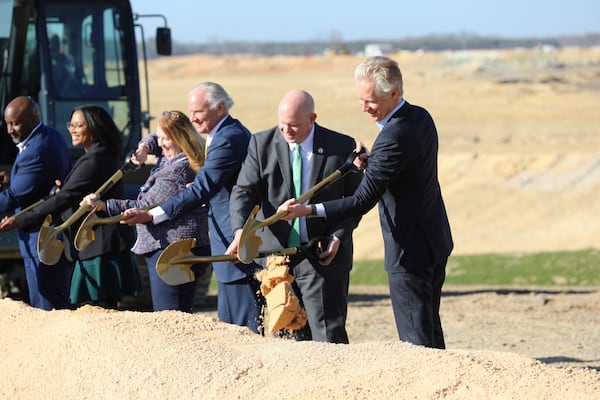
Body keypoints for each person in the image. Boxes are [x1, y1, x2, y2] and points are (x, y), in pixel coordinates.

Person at [279, 56, 454, 349]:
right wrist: (374, 162)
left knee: (417, 343)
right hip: (434, 241)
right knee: (430, 329)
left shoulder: (392, 137)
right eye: (360, 100)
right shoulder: (420, 116)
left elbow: (361, 200)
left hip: (409, 251)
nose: (363, 108)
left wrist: (308, 210)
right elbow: (403, 165)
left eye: (370, 101)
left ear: (394, 92)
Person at [121, 82, 264, 332]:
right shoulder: (218, 133)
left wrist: (153, 214)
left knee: (245, 330)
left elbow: (203, 188)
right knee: (231, 331)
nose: (193, 118)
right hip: (224, 242)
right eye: (191, 111)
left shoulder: (229, 138)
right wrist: (146, 145)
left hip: (235, 241)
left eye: (198, 111)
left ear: (220, 107)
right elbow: (167, 134)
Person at [226, 89, 363, 343]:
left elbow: (354, 202)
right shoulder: (260, 144)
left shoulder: (341, 146)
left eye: (294, 126)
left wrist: (339, 237)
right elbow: (243, 192)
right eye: (282, 126)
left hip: (322, 256)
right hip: (277, 260)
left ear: (312, 118)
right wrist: (239, 233)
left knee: (327, 337)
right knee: (286, 340)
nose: (287, 131)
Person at [3, 104, 143, 309]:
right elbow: (70, 193)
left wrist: (20, 219)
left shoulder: (94, 159)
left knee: (100, 311)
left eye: (78, 126)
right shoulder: (96, 155)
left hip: (99, 247)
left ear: (94, 129)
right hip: (94, 245)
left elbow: (64, 199)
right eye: (71, 124)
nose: (72, 129)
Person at [81, 111, 210, 312]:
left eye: (166, 139)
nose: (161, 143)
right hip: (170, 246)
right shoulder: (172, 156)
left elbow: (144, 206)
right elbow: (154, 139)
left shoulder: (177, 170)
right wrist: (145, 146)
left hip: (171, 249)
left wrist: (102, 205)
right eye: (159, 138)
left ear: (180, 138)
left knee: (170, 314)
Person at [0, 96, 72, 310]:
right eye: (7, 124)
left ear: (33, 118)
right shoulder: (49, 135)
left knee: (46, 305)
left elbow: (14, 197)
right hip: (40, 233)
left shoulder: (37, 150)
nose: (9, 130)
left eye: (15, 123)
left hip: (41, 237)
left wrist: (14, 186)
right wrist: (13, 180)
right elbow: (34, 183)